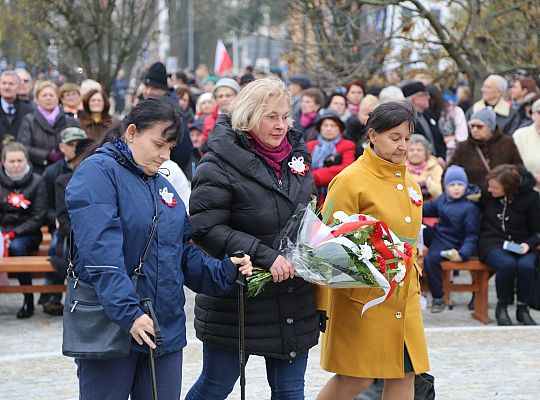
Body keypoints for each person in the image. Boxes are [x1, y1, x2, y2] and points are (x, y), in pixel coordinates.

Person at [65, 96, 252, 400]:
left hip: (164, 324)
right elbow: (101, 256)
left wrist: (225, 269)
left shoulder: (160, 183)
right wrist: (129, 314)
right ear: (132, 133)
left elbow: (181, 251)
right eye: (158, 145)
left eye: (170, 148)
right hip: (114, 324)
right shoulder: (97, 173)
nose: (165, 155)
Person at [186, 77, 319, 400]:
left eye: (286, 116)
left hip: (292, 296)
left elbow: (306, 214)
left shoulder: (295, 157)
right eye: (271, 117)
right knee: (215, 387)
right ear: (247, 115)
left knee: (290, 392)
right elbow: (206, 228)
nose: (281, 125)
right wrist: (265, 256)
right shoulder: (218, 164)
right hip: (238, 299)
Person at [316, 101, 429, 400]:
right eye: (395, 137)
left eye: (407, 138)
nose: (403, 146)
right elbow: (327, 244)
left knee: (405, 372)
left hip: (405, 296)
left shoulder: (411, 184)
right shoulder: (351, 180)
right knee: (357, 378)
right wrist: (321, 304)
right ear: (373, 135)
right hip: (363, 297)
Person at [478, 164, 540, 326]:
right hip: (493, 241)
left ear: (509, 187)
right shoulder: (487, 193)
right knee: (507, 264)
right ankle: (502, 306)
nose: (490, 190)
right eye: (489, 186)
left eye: (495, 188)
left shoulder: (531, 198)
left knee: (526, 266)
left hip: (522, 243)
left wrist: (529, 244)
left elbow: (537, 230)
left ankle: (522, 308)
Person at [422, 166, 480, 313]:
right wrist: (409, 206)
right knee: (417, 227)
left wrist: (463, 253)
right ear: (446, 187)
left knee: (431, 259)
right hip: (439, 234)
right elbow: (426, 209)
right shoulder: (443, 199)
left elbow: (472, 235)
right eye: (452, 185)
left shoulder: (470, 207)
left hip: (453, 242)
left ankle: (438, 298)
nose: (456, 188)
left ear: (465, 186)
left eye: (460, 185)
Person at [0, 141, 47, 318]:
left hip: (28, 234)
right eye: (11, 161)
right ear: (3, 162)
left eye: (20, 160)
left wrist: (13, 233)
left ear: (27, 161)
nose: (16, 165)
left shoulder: (37, 181)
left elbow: (38, 216)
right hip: (2, 231)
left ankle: (28, 297)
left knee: (17, 248)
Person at [18, 80, 79, 174]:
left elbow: (79, 144)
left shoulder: (69, 119)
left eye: (51, 95)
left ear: (57, 97)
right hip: (38, 172)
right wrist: (46, 155)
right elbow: (23, 147)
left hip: (66, 171)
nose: (48, 98)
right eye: (44, 95)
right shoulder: (29, 120)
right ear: (37, 99)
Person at [450, 108, 522, 186]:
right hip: (474, 195)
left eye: (479, 126)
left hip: (502, 192)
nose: (475, 130)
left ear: (490, 127)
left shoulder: (507, 143)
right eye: (472, 126)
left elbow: (519, 168)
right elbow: (450, 171)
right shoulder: (463, 147)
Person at [306, 109, 355, 206]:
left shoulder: (347, 145)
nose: (329, 129)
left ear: (339, 128)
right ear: (320, 128)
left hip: (334, 194)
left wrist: (315, 176)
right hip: (309, 194)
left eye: (333, 125)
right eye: (325, 125)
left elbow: (346, 168)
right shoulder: (309, 145)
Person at [402, 81, 447, 160]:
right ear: (415, 99)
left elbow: (440, 138)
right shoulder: (405, 120)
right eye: (425, 95)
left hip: (437, 163)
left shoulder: (427, 114)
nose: (429, 97)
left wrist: (441, 157)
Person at [427, 85, 468, 162]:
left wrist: (451, 139)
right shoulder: (425, 114)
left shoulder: (455, 112)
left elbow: (462, 137)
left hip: (453, 156)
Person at [513, 98, 540, 191]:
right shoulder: (520, 135)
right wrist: (531, 177)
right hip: (525, 188)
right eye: (539, 112)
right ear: (533, 115)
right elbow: (512, 164)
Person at [0, 70, 34, 145]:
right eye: (4, 83)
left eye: (11, 84)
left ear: (18, 87)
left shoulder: (29, 110)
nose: (7, 87)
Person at [406, 134, 443, 202]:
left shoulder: (436, 167)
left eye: (419, 150)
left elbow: (440, 194)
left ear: (426, 152)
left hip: (432, 208)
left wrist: (428, 184)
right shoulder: (401, 168)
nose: (415, 153)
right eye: (411, 150)